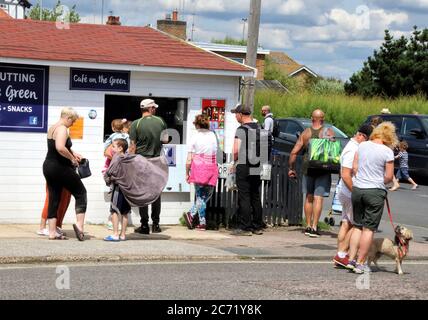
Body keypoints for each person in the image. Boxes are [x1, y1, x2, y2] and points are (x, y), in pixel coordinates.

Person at [347, 122, 397, 273]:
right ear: (390, 136)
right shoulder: (387, 152)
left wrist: (362, 177)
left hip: (358, 189)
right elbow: (388, 177)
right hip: (374, 191)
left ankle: (351, 259)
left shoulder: (362, 146)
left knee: (357, 226)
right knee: (368, 229)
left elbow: (354, 168)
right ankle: (361, 263)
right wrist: (379, 181)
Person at [42, 107, 87, 241]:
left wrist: (73, 153)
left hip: (48, 166)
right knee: (81, 192)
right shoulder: (62, 128)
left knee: (54, 198)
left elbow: (59, 146)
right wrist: (72, 159)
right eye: (72, 121)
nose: (72, 124)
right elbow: (60, 147)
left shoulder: (53, 127)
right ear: (67, 118)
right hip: (59, 167)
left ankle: (52, 232)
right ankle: (80, 226)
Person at [288, 109, 334, 238]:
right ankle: (314, 227)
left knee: (309, 197)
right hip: (323, 169)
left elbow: (293, 152)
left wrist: (291, 168)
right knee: (318, 198)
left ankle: (307, 226)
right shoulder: (328, 132)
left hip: (308, 168)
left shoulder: (306, 133)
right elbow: (334, 150)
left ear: (312, 118)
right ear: (323, 119)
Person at [332, 124, 373, 268]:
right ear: (361, 136)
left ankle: (340, 255)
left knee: (346, 223)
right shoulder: (354, 149)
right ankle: (342, 255)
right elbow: (345, 174)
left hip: (345, 191)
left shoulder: (351, 146)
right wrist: (355, 191)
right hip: (349, 192)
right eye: (367, 139)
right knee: (354, 225)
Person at [129, 99, 169, 234]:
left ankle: (144, 225)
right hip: (157, 161)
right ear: (150, 108)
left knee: (143, 193)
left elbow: (132, 146)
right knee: (156, 193)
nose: (155, 109)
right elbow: (165, 140)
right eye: (154, 107)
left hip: (141, 161)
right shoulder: (161, 121)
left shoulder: (135, 124)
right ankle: (156, 225)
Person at [230, 104, 266, 236]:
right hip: (257, 164)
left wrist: (234, 162)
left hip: (244, 165)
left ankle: (246, 227)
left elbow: (235, 150)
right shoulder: (259, 127)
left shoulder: (241, 129)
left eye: (236, 114)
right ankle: (257, 226)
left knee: (244, 195)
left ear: (240, 114)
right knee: (255, 195)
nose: (235, 116)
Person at [183, 114, 219, 231]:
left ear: (197, 124)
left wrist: (187, 172)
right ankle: (202, 223)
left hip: (199, 167)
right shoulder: (213, 135)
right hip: (211, 166)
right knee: (205, 196)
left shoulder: (194, 137)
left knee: (200, 196)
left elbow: (189, 159)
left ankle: (191, 214)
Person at [103, 139, 131, 242]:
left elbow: (111, 172)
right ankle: (123, 235)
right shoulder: (128, 158)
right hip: (127, 189)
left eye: (113, 146)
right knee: (125, 212)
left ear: (120, 148)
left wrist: (107, 179)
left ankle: (115, 234)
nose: (112, 148)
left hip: (118, 189)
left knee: (114, 210)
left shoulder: (116, 158)